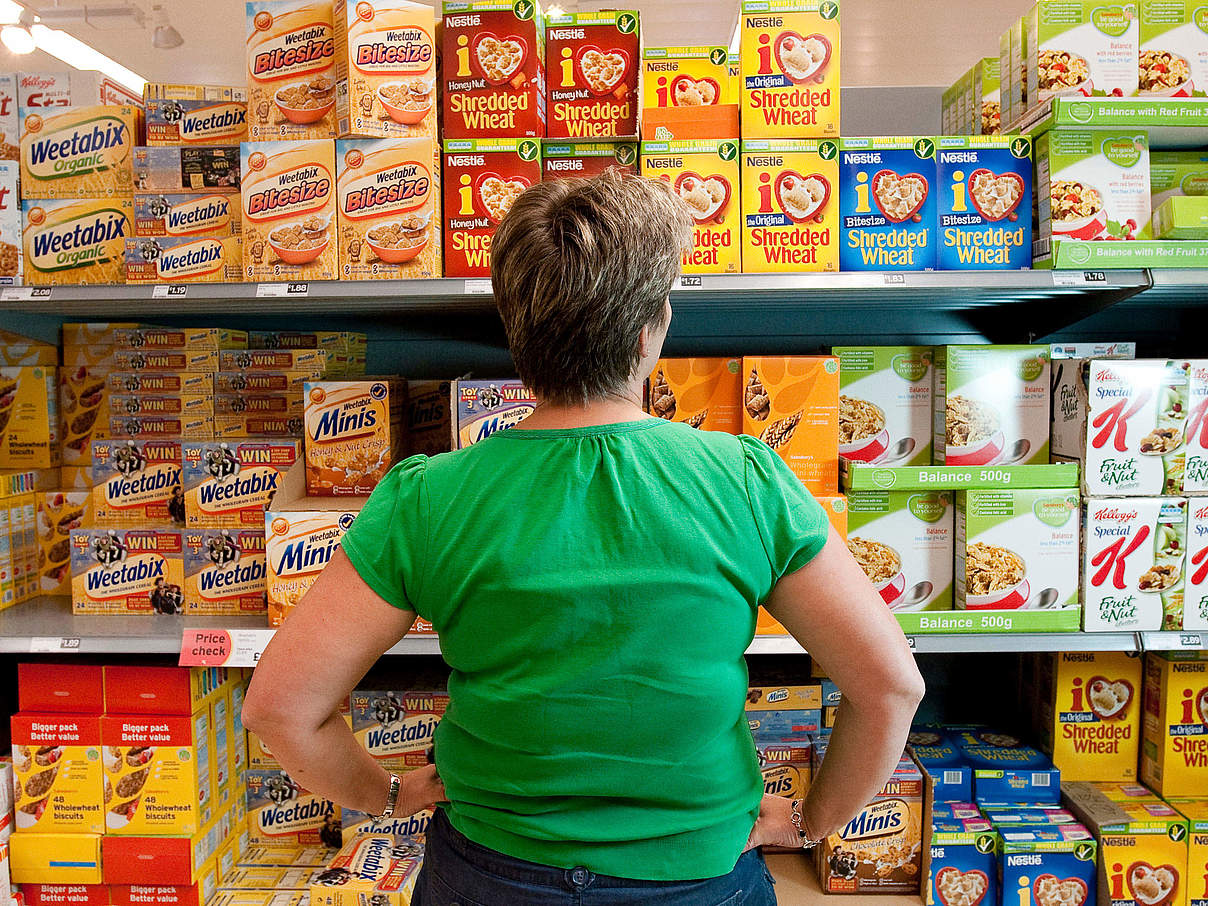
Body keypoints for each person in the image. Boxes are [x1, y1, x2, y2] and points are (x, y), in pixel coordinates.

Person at [243, 172, 925, 905]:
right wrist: (814, 820)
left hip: (490, 874)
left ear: (519, 331)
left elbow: (280, 709)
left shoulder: (427, 497)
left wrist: (384, 796)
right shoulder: (745, 479)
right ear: (648, 330)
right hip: (695, 876)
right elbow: (890, 686)